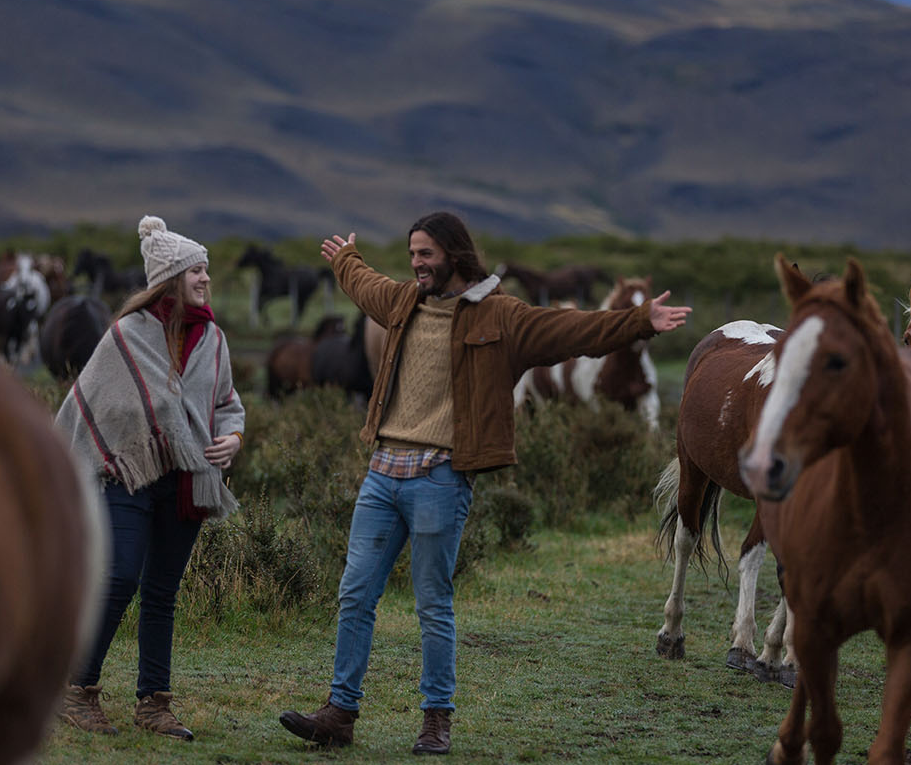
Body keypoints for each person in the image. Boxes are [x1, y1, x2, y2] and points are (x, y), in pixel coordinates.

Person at [279, 211, 690, 755]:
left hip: (440, 479)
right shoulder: (403, 302)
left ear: (454, 253)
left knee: (432, 602)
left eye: (425, 254)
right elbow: (366, 285)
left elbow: (574, 331)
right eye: (411, 255)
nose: (416, 265)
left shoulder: (502, 317)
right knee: (355, 595)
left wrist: (638, 321)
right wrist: (345, 260)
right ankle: (339, 713)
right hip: (382, 475)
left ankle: (436, 718)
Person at [55, 215, 244, 741]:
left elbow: (227, 404)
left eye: (206, 269)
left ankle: (154, 705)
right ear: (172, 278)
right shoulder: (126, 337)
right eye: (196, 271)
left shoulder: (213, 339)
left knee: (163, 592)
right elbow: (88, 404)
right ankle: (77, 690)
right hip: (128, 476)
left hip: (188, 480)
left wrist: (233, 439)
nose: (206, 279)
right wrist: (113, 452)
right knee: (120, 577)